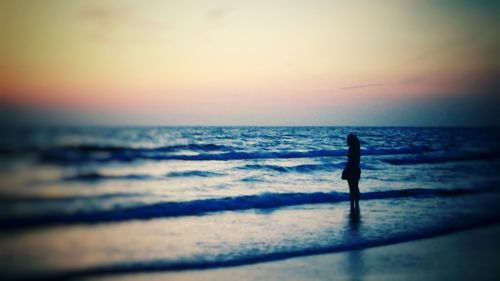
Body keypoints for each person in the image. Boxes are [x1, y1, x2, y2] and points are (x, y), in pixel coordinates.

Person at [342, 134, 361, 210]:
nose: (346, 141)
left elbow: (350, 162)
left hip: (351, 170)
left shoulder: (351, 149)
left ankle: (352, 206)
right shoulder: (357, 149)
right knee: (355, 187)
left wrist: (345, 170)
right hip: (357, 170)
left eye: (348, 139)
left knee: (351, 188)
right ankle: (356, 204)